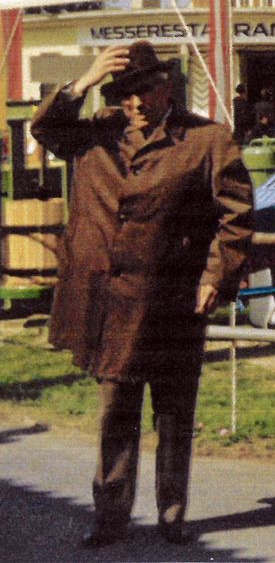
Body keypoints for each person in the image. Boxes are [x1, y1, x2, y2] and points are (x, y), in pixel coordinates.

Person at [31, 41, 254, 549]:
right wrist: (81, 82)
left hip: (174, 299)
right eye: (125, 93)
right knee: (116, 410)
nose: (135, 103)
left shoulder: (206, 139)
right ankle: (110, 516)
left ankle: (172, 515)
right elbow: (44, 129)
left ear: (166, 85)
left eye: (145, 90)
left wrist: (215, 277)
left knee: (174, 412)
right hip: (112, 303)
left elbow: (236, 216)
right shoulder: (96, 134)